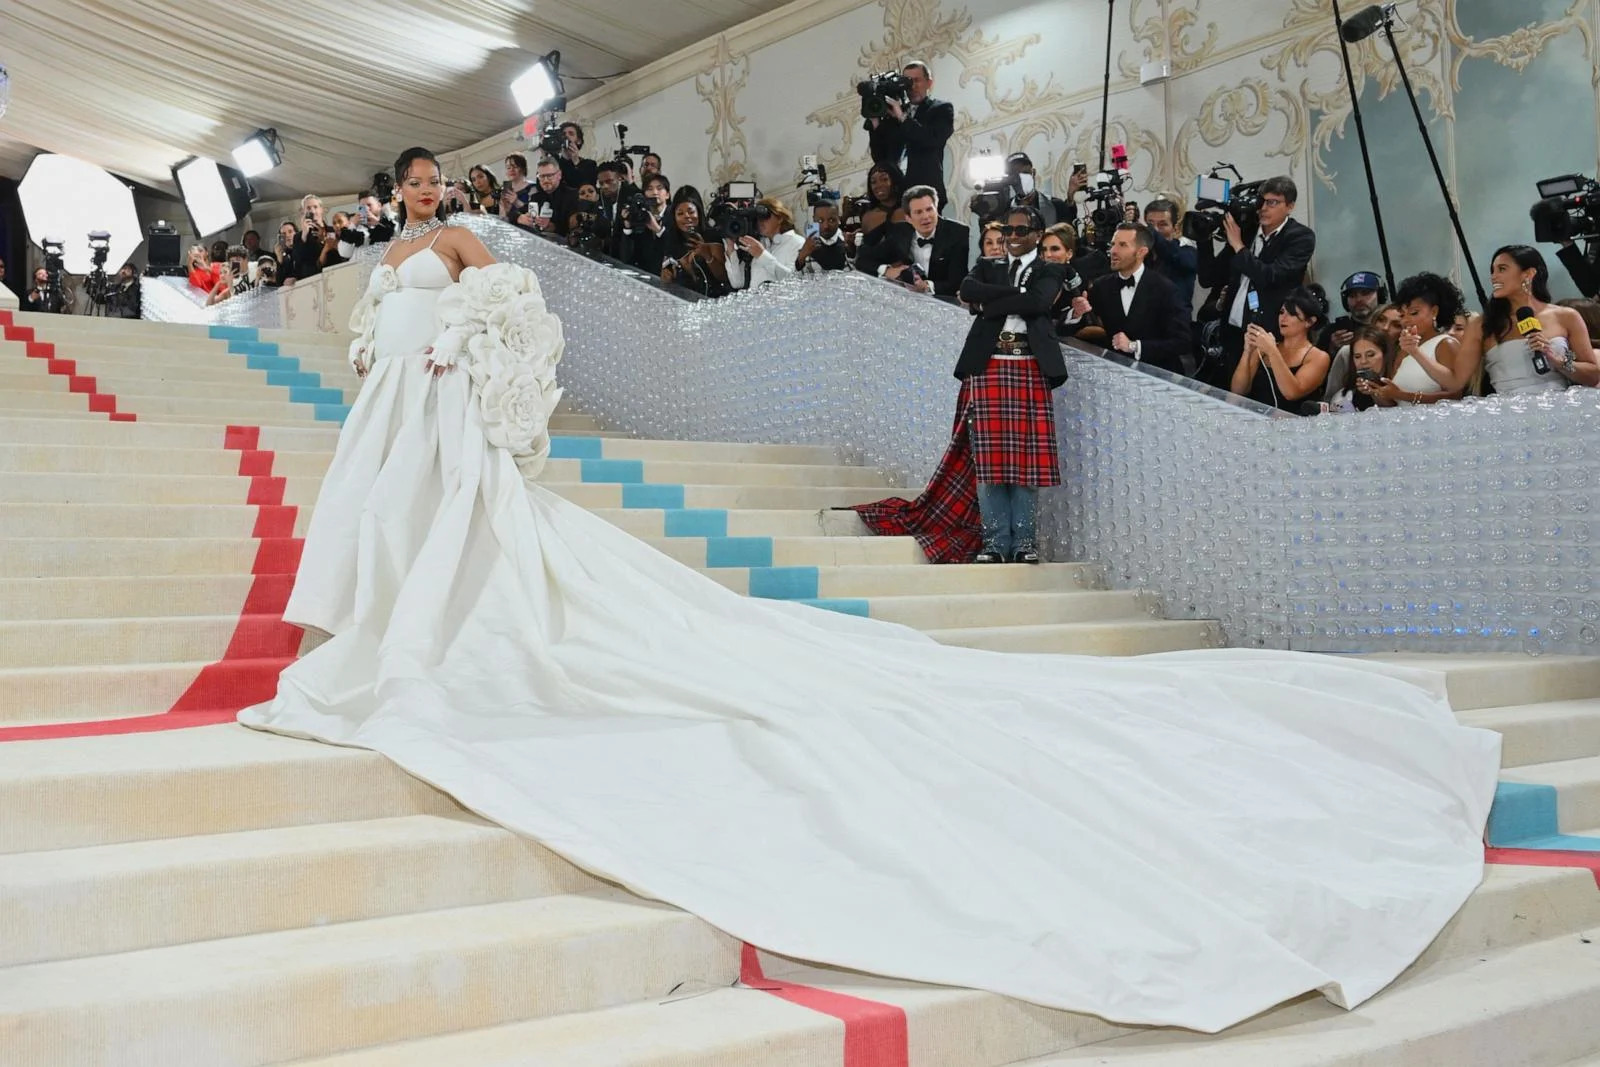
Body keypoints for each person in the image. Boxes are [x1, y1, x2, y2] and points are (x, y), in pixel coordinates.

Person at [238, 142, 1499, 1038]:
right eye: (399, 186)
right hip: (398, 411)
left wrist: (482, 382)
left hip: (446, 410)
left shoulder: (460, 242)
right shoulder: (383, 258)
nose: (414, 197)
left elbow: (517, 315)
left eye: (422, 183)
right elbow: (395, 323)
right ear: (374, 198)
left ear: (439, 190)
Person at [854, 205, 1067, 565]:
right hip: (988, 367)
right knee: (988, 464)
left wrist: (991, 302)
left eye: (1020, 231)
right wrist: (1009, 299)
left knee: (1026, 465)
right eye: (1008, 232)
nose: (1012, 239)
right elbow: (968, 289)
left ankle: (1024, 543)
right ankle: (996, 542)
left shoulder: (1050, 269)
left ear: (1037, 233)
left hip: (1029, 366)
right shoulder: (989, 265)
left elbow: (1038, 301)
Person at [1209, 176, 1316, 388]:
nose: (1263, 208)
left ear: (1290, 206)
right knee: (1231, 396)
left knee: (1262, 396)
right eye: (1262, 202)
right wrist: (1203, 237)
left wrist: (1239, 247)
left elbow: (1270, 276)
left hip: (1270, 334)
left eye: (1272, 202)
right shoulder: (1246, 231)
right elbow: (1209, 277)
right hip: (1232, 331)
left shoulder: (1300, 237)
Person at [1471, 244, 1599, 395]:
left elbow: (1593, 375)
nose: (1494, 276)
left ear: (1528, 274)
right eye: (1492, 270)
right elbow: (1458, 381)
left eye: (1502, 269)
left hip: (1558, 407)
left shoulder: (1566, 316)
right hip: (1508, 410)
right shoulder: (1485, 324)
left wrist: (1561, 362)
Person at [1069, 222, 1191, 375]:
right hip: (1115, 373)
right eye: (1113, 244)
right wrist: (1075, 315)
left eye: (1122, 245)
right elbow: (1070, 329)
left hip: (1159, 376)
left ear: (1141, 252)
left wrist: (1135, 346)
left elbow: (1182, 342)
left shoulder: (1166, 289)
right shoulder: (1102, 286)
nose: (1113, 251)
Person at [1359, 272, 1467, 408]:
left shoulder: (1445, 344)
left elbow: (1455, 396)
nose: (1407, 320)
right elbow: (1393, 403)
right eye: (1402, 315)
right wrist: (1375, 391)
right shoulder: (1402, 349)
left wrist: (1402, 395)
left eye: (1414, 313)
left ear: (1434, 312)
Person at [864, 60, 954, 211]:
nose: (912, 86)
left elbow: (931, 139)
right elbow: (880, 159)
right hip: (896, 198)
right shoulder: (893, 114)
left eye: (917, 80)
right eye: (907, 81)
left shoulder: (941, 109)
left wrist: (903, 118)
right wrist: (875, 122)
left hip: (927, 194)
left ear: (929, 82)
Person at [855, 185, 970, 299]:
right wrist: (887, 270)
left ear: (936, 209)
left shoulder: (957, 233)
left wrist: (927, 286)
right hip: (909, 299)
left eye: (929, 209)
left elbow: (958, 282)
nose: (925, 216)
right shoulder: (900, 232)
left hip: (945, 301)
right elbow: (863, 260)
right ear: (908, 218)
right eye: (918, 212)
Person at [1230, 286, 1331, 412]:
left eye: (1292, 314)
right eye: (1282, 312)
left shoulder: (1318, 357)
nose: (1283, 318)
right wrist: (1247, 351)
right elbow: (1237, 391)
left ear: (1309, 322)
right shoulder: (1265, 348)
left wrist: (1272, 351)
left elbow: (1292, 393)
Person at [721, 197, 807, 290]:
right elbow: (737, 282)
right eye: (757, 219)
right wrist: (730, 247)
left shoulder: (797, 242)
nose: (760, 222)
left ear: (780, 218)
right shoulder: (759, 244)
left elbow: (793, 280)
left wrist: (762, 255)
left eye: (765, 216)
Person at [660, 187, 730, 297]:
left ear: (699, 212)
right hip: (683, 303)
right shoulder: (671, 241)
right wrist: (666, 277)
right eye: (680, 213)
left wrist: (707, 255)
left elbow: (724, 277)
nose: (686, 217)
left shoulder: (713, 237)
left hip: (714, 302)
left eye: (691, 211)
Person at [1143, 198, 1198, 322]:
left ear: (1175, 228)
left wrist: (1152, 233)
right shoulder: (1141, 257)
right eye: (1151, 225)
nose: (1156, 230)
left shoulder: (1187, 253)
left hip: (1174, 329)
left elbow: (1172, 254)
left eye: (1162, 224)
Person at [1325, 325, 1392, 413]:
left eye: (1370, 355)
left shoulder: (1402, 387)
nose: (1363, 361)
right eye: (1357, 356)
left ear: (1385, 355)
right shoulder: (1342, 399)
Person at [795, 200, 851, 273]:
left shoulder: (848, 243)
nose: (826, 226)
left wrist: (852, 252)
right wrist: (801, 258)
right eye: (820, 221)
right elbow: (798, 279)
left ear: (839, 219)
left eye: (831, 220)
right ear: (814, 220)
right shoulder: (808, 247)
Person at [555, 121, 599, 190]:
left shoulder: (590, 165)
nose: (566, 136)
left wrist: (576, 162)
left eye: (571, 134)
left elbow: (585, 186)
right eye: (563, 134)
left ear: (579, 141)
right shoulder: (555, 166)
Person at [499, 154, 538, 229]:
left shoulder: (533, 188)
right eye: (508, 168)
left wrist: (516, 201)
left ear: (523, 168)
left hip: (528, 229)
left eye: (515, 166)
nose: (511, 170)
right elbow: (502, 219)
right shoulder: (504, 190)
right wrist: (504, 210)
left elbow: (534, 214)